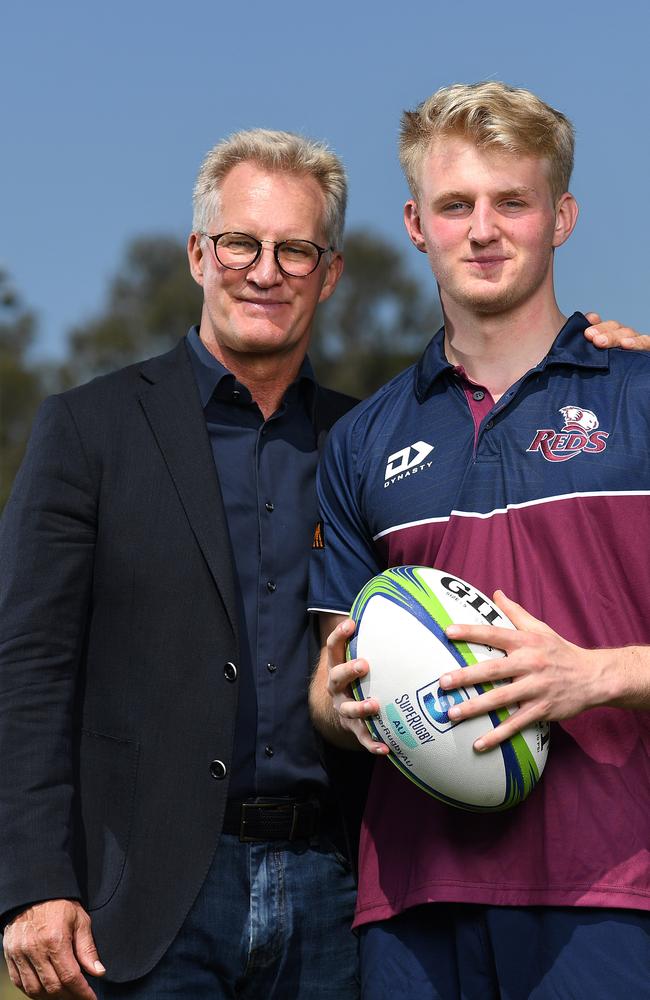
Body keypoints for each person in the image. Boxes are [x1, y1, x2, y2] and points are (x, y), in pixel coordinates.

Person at [0, 129, 365, 1000]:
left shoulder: (368, 440)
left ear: (330, 272)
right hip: (144, 906)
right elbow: (27, 671)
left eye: (295, 250)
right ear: (201, 253)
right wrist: (31, 885)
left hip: (339, 897)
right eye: (242, 242)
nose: (266, 270)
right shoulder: (87, 431)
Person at [309, 82, 650, 1000]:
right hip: (412, 906)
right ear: (418, 223)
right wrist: (339, 705)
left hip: (615, 895)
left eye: (514, 201)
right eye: (457, 205)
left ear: (562, 216)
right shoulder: (364, 440)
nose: (484, 229)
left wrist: (594, 675)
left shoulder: (641, 395)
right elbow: (328, 686)